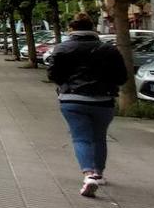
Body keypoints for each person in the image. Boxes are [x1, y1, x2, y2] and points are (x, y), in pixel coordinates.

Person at [46, 12, 129, 197]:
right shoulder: (109, 49)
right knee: (99, 137)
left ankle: (88, 174)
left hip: (72, 99)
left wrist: (66, 84)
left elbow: (52, 74)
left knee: (81, 138)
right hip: (104, 101)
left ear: (71, 29)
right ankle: (99, 174)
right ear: (92, 28)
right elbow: (122, 77)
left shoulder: (62, 48)